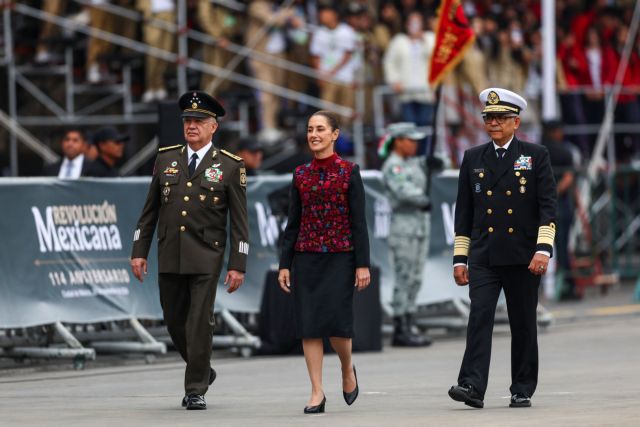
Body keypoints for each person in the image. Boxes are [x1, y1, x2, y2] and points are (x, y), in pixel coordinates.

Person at [130, 91, 249, 410]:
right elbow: (149, 210)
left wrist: (238, 264)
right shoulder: (166, 158)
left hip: (206, 255)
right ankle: (203, 368)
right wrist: (138, 249)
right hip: (170, 251)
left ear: (214, 127)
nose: (191, 126)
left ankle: (195, 388)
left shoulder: (228, 166)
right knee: (173, 320)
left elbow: (240, 222)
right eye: (187, 121)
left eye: (198, 121)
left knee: (199, 320)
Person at [448, 88, 557, 409]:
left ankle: (522, 387)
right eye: (489, 118)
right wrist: (460, 258)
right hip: (485, 254)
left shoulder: (535, 155)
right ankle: (471, 385)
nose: (494, 123)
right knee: (479, 316)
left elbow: (548, 207)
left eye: (501, 118)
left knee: (522, 321)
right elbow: (463, 213)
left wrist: (543, 249)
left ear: (516, 122)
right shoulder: (472, 157)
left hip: (524, 254)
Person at [278, 110, 370, 414]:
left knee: (338, 327)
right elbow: (293, 223)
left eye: (320, 129)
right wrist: (285, 263)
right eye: (310, 129)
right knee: (309, 326)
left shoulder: (349, 171)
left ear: (334, 134)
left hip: (341, 257)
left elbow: (359, 223)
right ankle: (316, 391)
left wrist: (362, 264)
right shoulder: (300, 174)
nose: (314, 134)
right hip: (306, 257)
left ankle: (347, 368)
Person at [379, 122, 432, 347]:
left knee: (416, 277)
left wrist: (433, 162)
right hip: (404, 227)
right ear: (398, 141)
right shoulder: (394, 165)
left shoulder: (412, 162)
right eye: (410, 140)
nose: (415, 144)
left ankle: (410, 321)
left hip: (420, 225)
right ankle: (401, 326)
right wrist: (423, 199)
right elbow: (404, 191)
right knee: (404, 277)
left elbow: (429, 166)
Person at [383, 11, 435, 154]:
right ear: (406, 25)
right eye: (412, 22)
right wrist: (393, 81)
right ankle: (410, 156)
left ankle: (423, 156)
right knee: (410, 127)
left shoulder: (430, 38)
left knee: (424, 126)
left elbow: (437, 59)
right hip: (405, 93)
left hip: (426, 93)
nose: (414, 26)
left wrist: (422, 39)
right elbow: (389, 63)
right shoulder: (398, 41)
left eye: (417, 22)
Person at [541, 120, 578, 301]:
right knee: (562, 248)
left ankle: (541, 286)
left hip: (540, 206)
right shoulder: (564, 151)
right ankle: (568, 286)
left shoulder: (537, 150)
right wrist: (554, 193)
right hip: (560, 205)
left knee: (539, 247)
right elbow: (569, 178)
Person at [139, 0, 175, 102]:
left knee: (165, 53)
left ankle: (159, 85)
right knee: (152, 54)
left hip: (169, 13)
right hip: (153, 14)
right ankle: (150, 87)